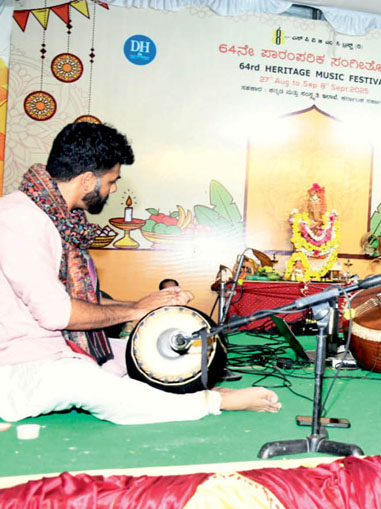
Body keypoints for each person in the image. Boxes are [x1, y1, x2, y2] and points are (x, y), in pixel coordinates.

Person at [0, 122, 281, 425]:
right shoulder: (19, 219)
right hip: (18, 365)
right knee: (82, 380)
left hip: (55, 345)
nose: (113, 189)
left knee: (144, 352)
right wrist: (134, 310)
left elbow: (72, 300)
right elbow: (58, 313)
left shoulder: (56, 217)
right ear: (86, 180)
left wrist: (143, 303)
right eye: (112, 181)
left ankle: (184, 390)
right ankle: (214, 400)